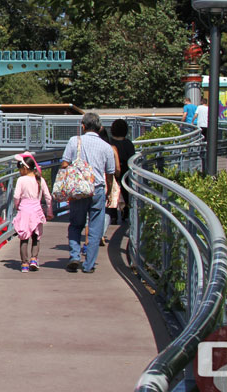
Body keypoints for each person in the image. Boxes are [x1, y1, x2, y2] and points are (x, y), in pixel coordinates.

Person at [61, 112, 116, 274]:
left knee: (75, 224)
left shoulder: (74, 141)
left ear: (83, 126)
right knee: (95, 228)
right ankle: (89, 265)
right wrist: (109, 191)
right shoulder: (106, 147)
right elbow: (110, 172)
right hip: (97, 188)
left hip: (79, 190)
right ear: (99, 128)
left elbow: (65, 164)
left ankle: (74, 256)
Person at [12, 154, 53, 272]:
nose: (19, 171)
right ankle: (34, 259)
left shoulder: (21, 180)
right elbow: (48, 197)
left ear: (25, 168)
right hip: (36, 211)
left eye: (20, 168)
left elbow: (16, 196)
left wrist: (17, 205)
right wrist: (49, 212)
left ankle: (24, 264)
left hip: (24, 211)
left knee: (24, 238)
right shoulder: (40, 179)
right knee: (36, 236)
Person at [109, 119, 136, 222]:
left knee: (112, 191)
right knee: (126, 192)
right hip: (126, 171)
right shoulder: (128, 143)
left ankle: (113, 215)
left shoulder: (109, 143)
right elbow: (132, 158)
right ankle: (126, 213)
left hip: (112, 170)